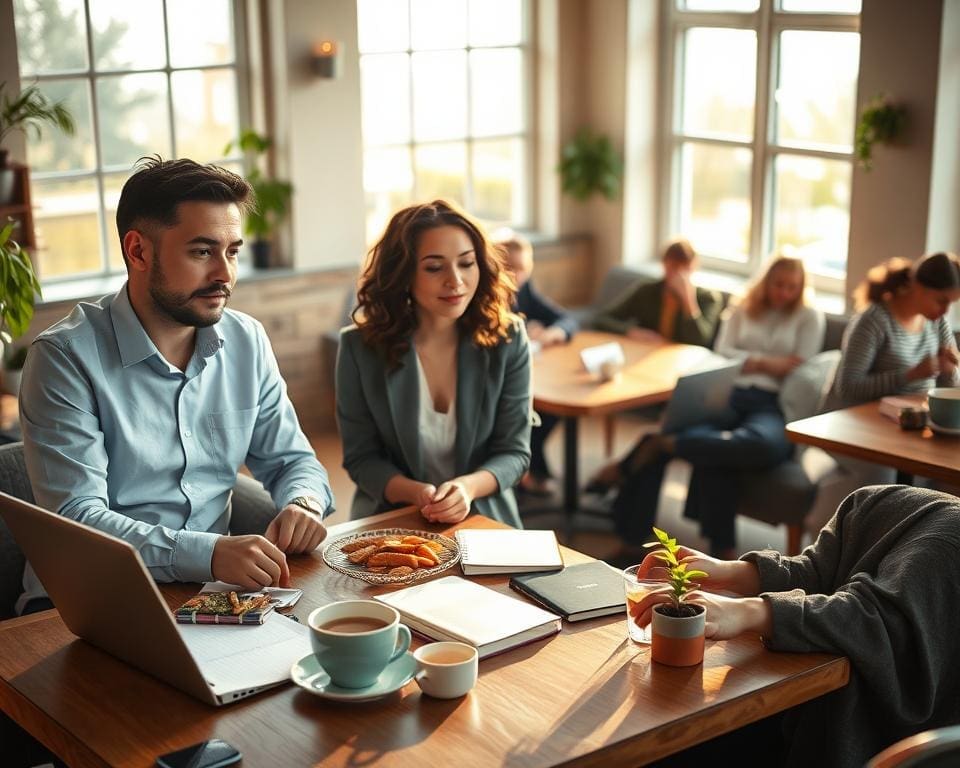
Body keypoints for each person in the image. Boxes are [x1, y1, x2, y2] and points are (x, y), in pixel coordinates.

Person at [17, 157, 333, 615]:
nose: (224, 274)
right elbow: (79, 522)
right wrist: (207, 552)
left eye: (233, 251)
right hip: (84, 600)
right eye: (202, 252)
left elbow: (293, 461)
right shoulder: (64, 358)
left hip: (209, 593)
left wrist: (303, 503)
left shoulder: (246, 340)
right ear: (139, 251)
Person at [631, 484, 960, 768]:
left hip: (834, 734)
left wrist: (748, 612)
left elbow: (873, 619)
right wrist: (727, 571)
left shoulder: (949, 542)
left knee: (668, 737)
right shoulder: (878, 501)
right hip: (804, 710)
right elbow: (819, 571)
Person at [590, 256, 825, 560]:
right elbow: (723, 351)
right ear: (767, 282)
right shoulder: (743, 308)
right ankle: (639, 537)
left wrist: (749, 360)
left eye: (792, 287)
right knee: (716, 452)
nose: (784, 293)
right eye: (778, 285)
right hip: (729, 392)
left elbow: (798, 364)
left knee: (763, 444)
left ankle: (663, 444)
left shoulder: (809, 316)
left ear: (802, 288)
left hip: (771, 402)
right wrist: (769, 363)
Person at [336, 200, 531, 527]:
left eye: (466, 263)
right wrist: (418, 494)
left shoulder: (508, 339)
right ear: (403, 274)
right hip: (393, 516)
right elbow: (361, 459)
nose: (455, 281)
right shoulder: (359, 348)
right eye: (434, 267)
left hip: (484, 518)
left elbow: (515, 453)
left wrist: (467, 488)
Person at [494, 228, 578, 496]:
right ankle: (526, 472)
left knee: (551, 412)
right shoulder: (485, 296)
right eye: (511, 268)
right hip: (498, 377)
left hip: (530, 368)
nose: (517, 276)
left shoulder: (524, 289)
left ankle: (531, 469)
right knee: (531, 412)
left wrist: (555, 332)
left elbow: (566, 319)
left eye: (523, 268)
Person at [832, 251, 960, 408]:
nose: (945, 311)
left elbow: (949, 389)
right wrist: (911, 375)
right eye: (941, 301)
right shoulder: (874, 321)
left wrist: (950, 371)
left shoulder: (938, 323)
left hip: (915, 417)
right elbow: (848, 388)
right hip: (869, 419)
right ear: (919, 288)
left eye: (951, 303)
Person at [592, 238, 724, 347]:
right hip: (647, 354)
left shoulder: (708, 298)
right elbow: (602, 319)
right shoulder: (647, 291)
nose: (678, 275)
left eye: (684, 269)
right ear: (664, 265)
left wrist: (688, 300)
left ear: (693, 268)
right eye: (673, 267)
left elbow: (701, 342)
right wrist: (630, 331)